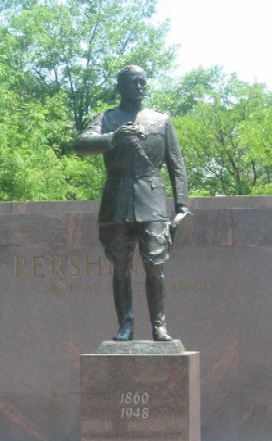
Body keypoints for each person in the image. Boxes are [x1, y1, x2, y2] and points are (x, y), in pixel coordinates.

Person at [75, 65, 189, 341]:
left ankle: (158, 325)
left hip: (152, 199)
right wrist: (113, 137)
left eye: (142, 82)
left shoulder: (161, 121)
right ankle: (125, 324)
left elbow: (177, 165)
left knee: (155, 264)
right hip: (116, 199)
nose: (139, 87)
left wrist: (182, 206)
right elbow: (81, 146)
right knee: (121, 266)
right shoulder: (107, 118)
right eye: (133, 83)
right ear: (121, 87)